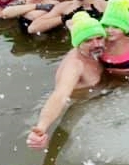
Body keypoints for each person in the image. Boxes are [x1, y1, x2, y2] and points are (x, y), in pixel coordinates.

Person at [26, 12, 108, 151]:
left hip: (97, 94)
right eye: (88, 40)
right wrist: (42, 127)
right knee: (66, 137)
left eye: (100, 38)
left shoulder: (90, 50)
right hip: (76, 103)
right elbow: (60, 95)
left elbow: (73, 26)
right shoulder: (75, 65)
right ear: (78, 43)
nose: (96, 44)